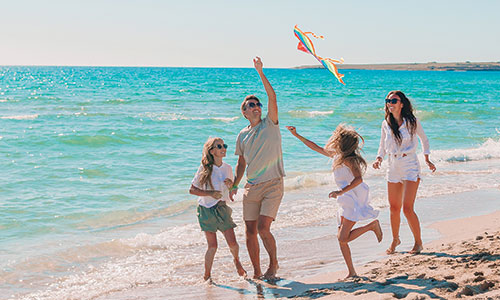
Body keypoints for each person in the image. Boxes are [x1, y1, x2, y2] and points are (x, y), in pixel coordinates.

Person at [286, 124, 382, 278]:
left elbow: (359, 179)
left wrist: (340, 192)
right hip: (344, 199)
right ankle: (352, 272)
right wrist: (297, 135)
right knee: (342, 240)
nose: (334, 141)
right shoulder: (337, 155)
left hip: (352, 198)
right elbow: (315, 147)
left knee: (342, 238)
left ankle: (372, 226)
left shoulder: (350, 160)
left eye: (337, 139)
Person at [230, 57, 285, 280]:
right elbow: (241, 162)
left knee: (263, 228)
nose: (256, 107)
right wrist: (234, 184)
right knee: (249, 232)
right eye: (251, 105)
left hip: (273, 184)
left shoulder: (270, 123)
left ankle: (274, 264)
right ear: (244, 112)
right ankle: (257, 271)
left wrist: (260, 72)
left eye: (257, 104)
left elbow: (272, 97)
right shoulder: (242, 135)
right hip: (251, 187)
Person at [372, 90, 436, 255]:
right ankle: (395, 240)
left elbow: (424, 139)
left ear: (402, 103)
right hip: (392, 165)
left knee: (407, 208)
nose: (390, 103)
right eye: (388, 100)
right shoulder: (386, 123)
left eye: (394, 100)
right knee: (394, 208)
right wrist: (379, 158)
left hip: (410, 164)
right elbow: (382, 145)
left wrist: (427, 158)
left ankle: (418, 243)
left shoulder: (412, 122)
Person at [189, 137, 246, 281]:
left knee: (232, 242)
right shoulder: (204, 168)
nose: (223, 148)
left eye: (224, 145)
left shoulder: (227, 168)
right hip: (206, 209)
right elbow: (192, 190)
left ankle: (236, 260)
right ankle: (207, 275)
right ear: (212, 151)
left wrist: (231, 185)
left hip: (221, 207)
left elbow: (232, 191)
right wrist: (210, 194)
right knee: (212, 246)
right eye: (219, 146)